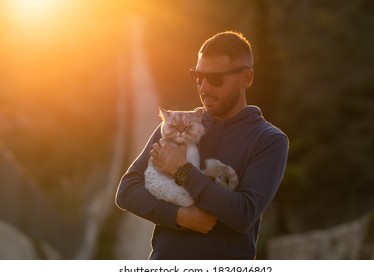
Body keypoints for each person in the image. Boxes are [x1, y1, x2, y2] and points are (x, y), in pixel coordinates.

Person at [115, 31, 288, 259]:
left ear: (246, 78)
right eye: (198, 76)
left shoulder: (268, 140)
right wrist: (178, 215)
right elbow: (127, 191)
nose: (204, 87)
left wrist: (182, 171)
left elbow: (244, 213)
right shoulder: (177, 124)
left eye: (216, 78)